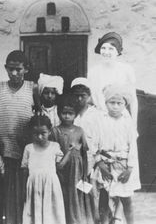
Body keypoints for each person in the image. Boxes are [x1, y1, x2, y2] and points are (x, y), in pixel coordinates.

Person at [0, 50, 41, 224]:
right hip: (3, 143)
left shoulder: (33, 87)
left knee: (20, 187)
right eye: (11, 69)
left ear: (26, 69)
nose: (14, 73)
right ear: (5, 68)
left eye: (18, 69)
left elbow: (38, 113)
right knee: (3, 186)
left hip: (22, 144)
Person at [92, 85, 140, 224]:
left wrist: (130, 168)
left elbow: (133, 148)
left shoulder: (128, 122)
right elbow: (94, 145)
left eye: (119, 103)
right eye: (111, 103)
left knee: (126, 199)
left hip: (122, 165)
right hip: (105, 164)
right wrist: (100, 163)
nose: (115, 106)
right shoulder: (101, 121)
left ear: (125, 104)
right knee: (104, 198)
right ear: (106, 103)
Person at [51, 95, 94, 224]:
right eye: (64, 113)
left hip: (77, 169)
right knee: (63, 194)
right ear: (59, 113)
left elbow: (85, 153)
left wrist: (85, 173)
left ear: (75, 115)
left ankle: (77, 220)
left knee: (77, 194)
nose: (67, 116)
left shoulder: (79, 131)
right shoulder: (55, 131)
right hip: (62, 168)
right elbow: (52, 152)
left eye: (71, 113)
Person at [70, 77, 105, 223]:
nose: (79, 99)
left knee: (93, 193)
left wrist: (98, 159)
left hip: (93, 160)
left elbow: (102, 139)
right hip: (77, 161)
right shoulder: (71, 115)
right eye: (76, 95)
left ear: (89, 96)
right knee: (80, 193)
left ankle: (97, 219)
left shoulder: (96, 115)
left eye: (82, 96)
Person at [21, 115, 67, 224]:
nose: (40, 137)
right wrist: (23, 188)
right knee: (33, 212)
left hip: (50, 185)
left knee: (52, 213)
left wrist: (69, 153)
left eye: (43, 133)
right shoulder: (29, 148)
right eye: (36, 134)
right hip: (33, 186)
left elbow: (60, 166)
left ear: (49, 132)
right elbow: (24, 169)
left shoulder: (54, 146)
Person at [88, 32, 138, 126]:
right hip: (100, 118)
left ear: (118, 51)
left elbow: (133, 100)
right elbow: (94, 97)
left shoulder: (126, 70)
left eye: (111, 49)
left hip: (120, 118)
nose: (106, 52)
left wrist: (134, 125)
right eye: (103, 48)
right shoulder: (93, 71)